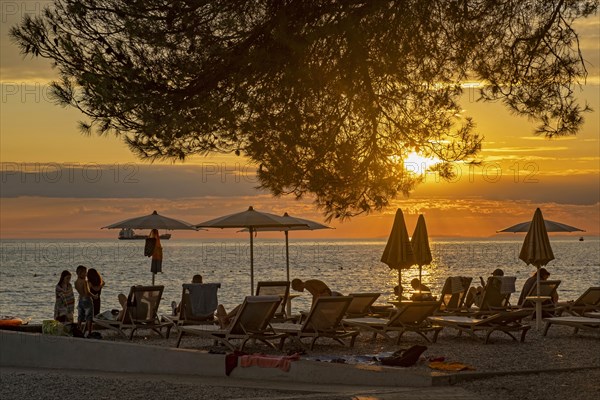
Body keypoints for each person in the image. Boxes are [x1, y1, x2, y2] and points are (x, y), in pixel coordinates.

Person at [74, 265, 97, 336]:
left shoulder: (76, 282)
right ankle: (89, 333)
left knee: (80, 316)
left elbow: (80, 292)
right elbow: (87, 292)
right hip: (87, 300)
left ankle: (78, 330)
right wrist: (94, 296)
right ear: (81, 273)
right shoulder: (84, 281)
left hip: (80, 300)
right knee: (89, 317)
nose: (86, 274)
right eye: (85, 272)